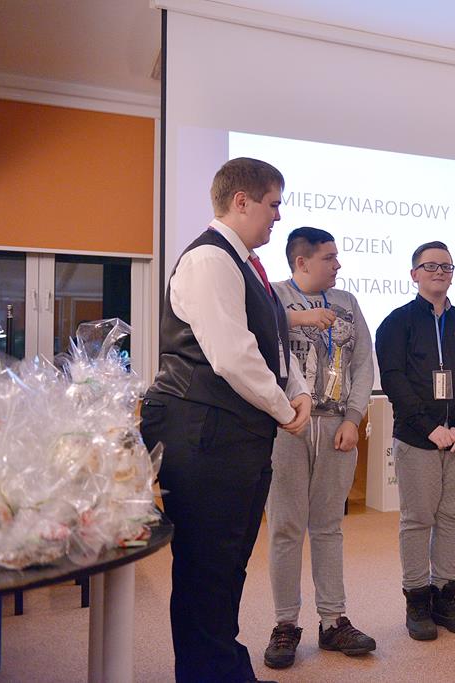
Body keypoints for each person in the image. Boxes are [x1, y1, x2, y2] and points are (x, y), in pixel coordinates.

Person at [140, 157, 311, 682]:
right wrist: (284, 409)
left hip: (234, 434)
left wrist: (300, 390)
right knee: (206, 568)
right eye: (273, 204)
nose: (278, 216)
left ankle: (223, 666)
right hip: (203, 433)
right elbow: (233, 355)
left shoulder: (246, 264)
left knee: (228, 563)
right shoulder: (210, 259)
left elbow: (272, 344)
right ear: (242, 201)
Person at [262, 227, 376, 669]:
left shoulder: (347, 302)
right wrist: (298, 320)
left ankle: (333, 621)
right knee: (286, 527)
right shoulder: (272, 297)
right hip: (286, 426)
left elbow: (363, 364)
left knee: (328, 527)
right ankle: (285, 624)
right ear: (301, 262)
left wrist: (353, 418)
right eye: (329, 257)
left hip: (336, 426)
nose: (338, 264)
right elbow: (250, 335)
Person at [374, 241, 455, 641]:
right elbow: (394, 380)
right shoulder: (397, 322)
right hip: (417, 438)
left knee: (451, 517)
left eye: (446, 266)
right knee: (417, 519)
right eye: (430, 266)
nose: (439, 271)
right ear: (414, 275)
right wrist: (429, 427)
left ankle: (444, 596)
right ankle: (417, 600)